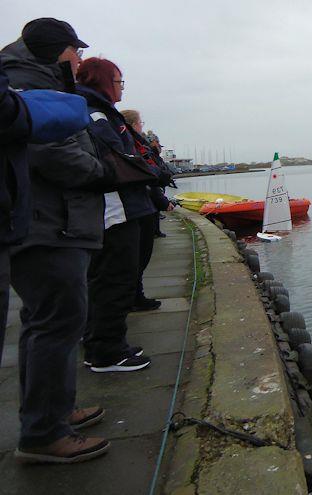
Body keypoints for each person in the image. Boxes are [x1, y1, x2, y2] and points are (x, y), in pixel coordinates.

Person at [1, 18, 113, 464]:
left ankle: (53, 413)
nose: (80, 60)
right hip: (51, 223)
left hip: (49, 220)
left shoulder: (28, 80)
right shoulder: (27, 82)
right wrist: (105, 172)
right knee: (57, 321)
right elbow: (51, 150)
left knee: (46, 322)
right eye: (76, 51)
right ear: (57, 50)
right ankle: (45, 432)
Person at [77, 57, 156, 372]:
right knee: (115, 279)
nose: (122, 87)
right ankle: (107, 351)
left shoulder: (97, 111)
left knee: (110, 279)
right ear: (104, 81)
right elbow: (118, 158)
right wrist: (148, 170)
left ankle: (102, 343)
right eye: (119, 80)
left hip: (122, 205)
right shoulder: (96, 114)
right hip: (117, 209)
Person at [119, 109, 173, 311]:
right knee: (137, 258)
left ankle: (136, 296)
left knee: (138, 258)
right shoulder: (131, 144)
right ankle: (133, 298)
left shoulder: (135, 143)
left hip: (142, 204)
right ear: (133, 124)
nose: (142, 126)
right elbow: (145, 176)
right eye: (140, 122)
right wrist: (161, 198)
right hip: (139, 206)